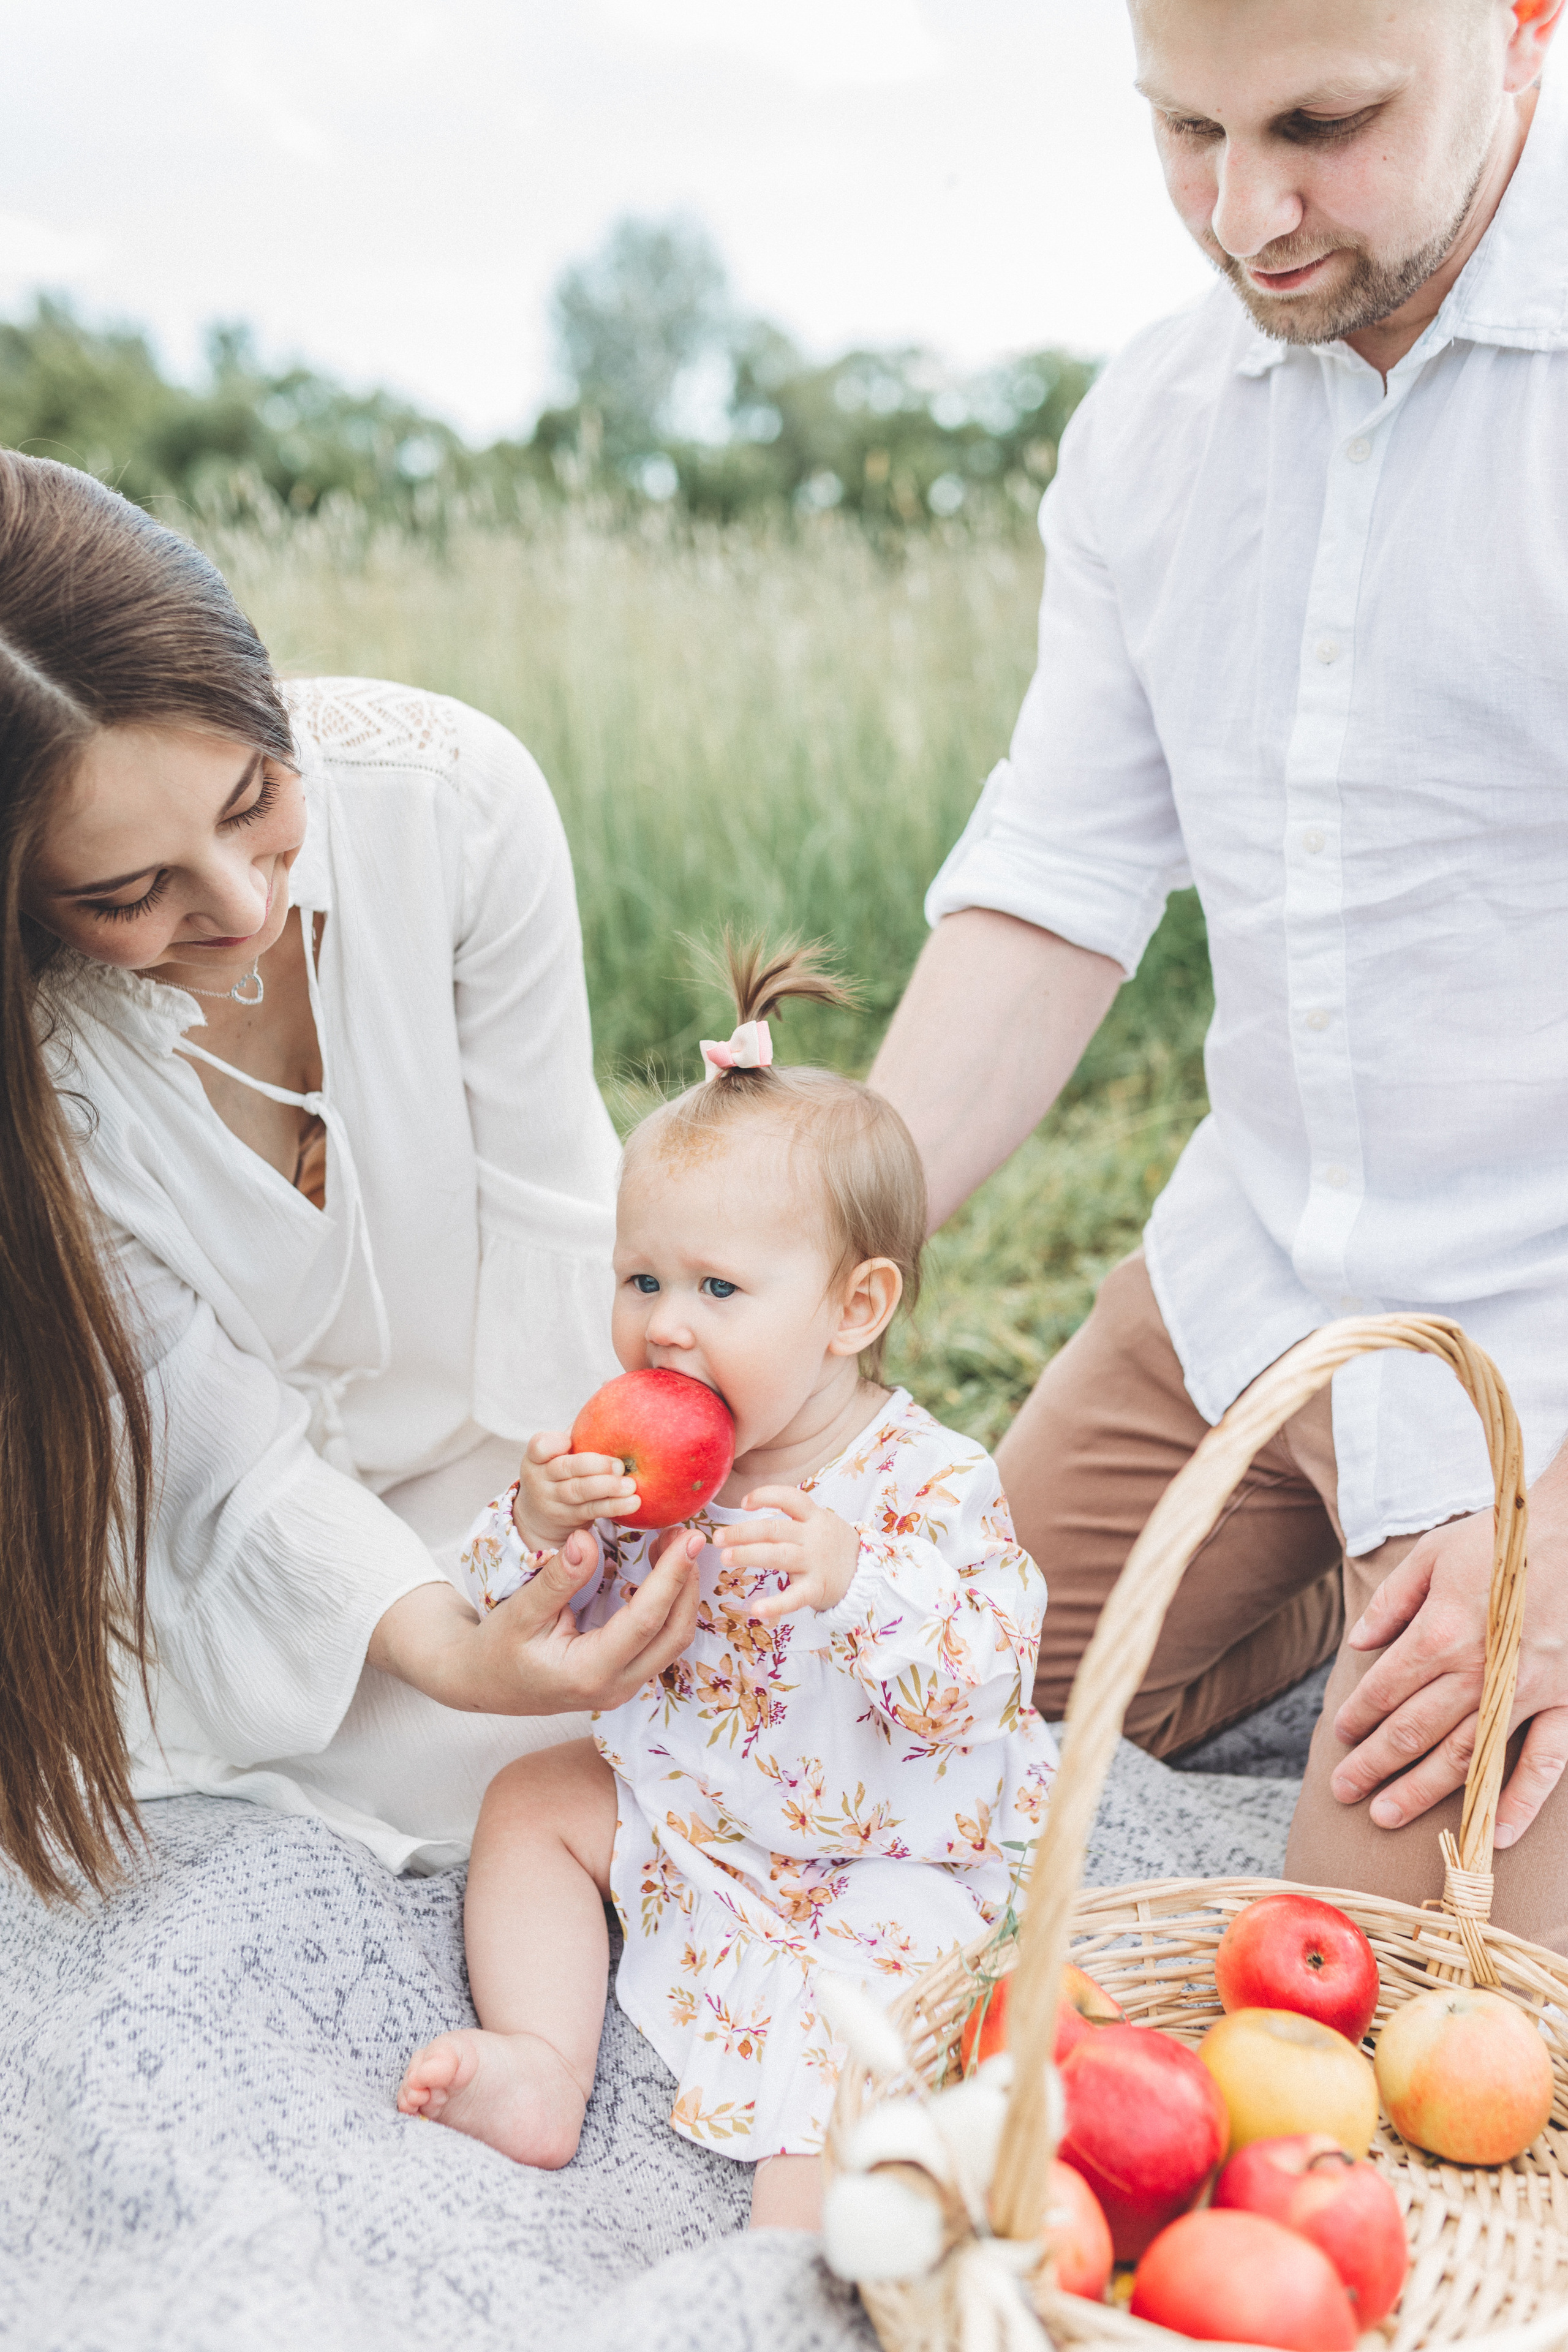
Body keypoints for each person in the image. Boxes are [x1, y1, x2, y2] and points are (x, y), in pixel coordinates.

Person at [870, 0, 1568, 1952]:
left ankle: (1448, 1562)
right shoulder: (1156, 424)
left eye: (1325, 124)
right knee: (924, 1695)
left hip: (1551, 1338)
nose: (1246, 213)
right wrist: (814, 1238)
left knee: (1395, 1993)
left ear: (1522, 31)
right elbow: (1061, 872)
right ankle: (1368, 1555)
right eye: (1184, 128)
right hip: (1250, 1270)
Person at [1, 452, 700, 1905]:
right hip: (219, 1566)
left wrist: (574, 1542)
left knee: (715, 1671)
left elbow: (559, 1212)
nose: (242, 905)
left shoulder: (449, 802)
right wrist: (453, 1647)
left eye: (253, 795)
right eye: (129, 895)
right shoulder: (42, 1070)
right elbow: (211, 1462)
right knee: (513, 1747)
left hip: (518, 1473)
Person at [394, 942, 1057, 2230]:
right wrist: (536, 1526)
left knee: (849, 2029)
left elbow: (982, 1682)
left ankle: (794, 2234)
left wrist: (852, 1579)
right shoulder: (639, 1464)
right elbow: (502, 1610)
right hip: (696, 1811)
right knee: (533, 1799)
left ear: (852, 1308)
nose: (665, 1326)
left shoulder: (925, 1479)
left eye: (715, 1289)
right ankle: (543, 2059)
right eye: (640, 1279)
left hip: (877, 1855)